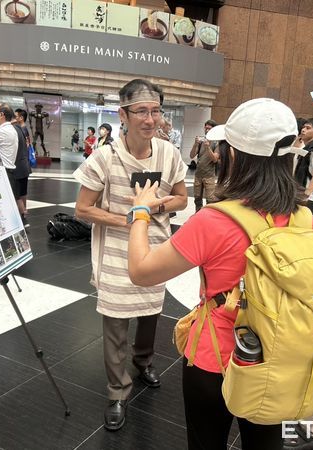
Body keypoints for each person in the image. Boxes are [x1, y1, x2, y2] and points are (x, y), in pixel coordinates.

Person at [126, 98, 308, 450]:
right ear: (288, 157)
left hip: (217, 359)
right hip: (280, 357)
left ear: (234, 157)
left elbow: (141, 271)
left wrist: (140, 213)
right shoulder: (304, 217)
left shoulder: (215, 220)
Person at [73, 79, 188, 432]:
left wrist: (154, 206)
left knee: (151, 313)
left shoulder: (169, 153)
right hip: (116, 254)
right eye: (141, 111)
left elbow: (182, 198)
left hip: (155, 248)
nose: (150, 119)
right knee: (116, 324)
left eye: (156, 111)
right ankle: (118, 391)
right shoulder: (104, 157)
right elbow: (82, 209)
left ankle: (144, 361)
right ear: (123, 114)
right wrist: (129, 218)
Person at [190, 119, 219, 212]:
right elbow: (191, 156)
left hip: (209, 176)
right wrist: (195, 144)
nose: (207, 130)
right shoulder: (202, 141)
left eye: (209, 129)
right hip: (198, 174)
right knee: (197, 198)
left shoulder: (217, 142)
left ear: (214, 129)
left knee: (210, 200)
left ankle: (208, 217)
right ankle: (197, 215)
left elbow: (215, 159)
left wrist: (208, 148)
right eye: (206, 128)